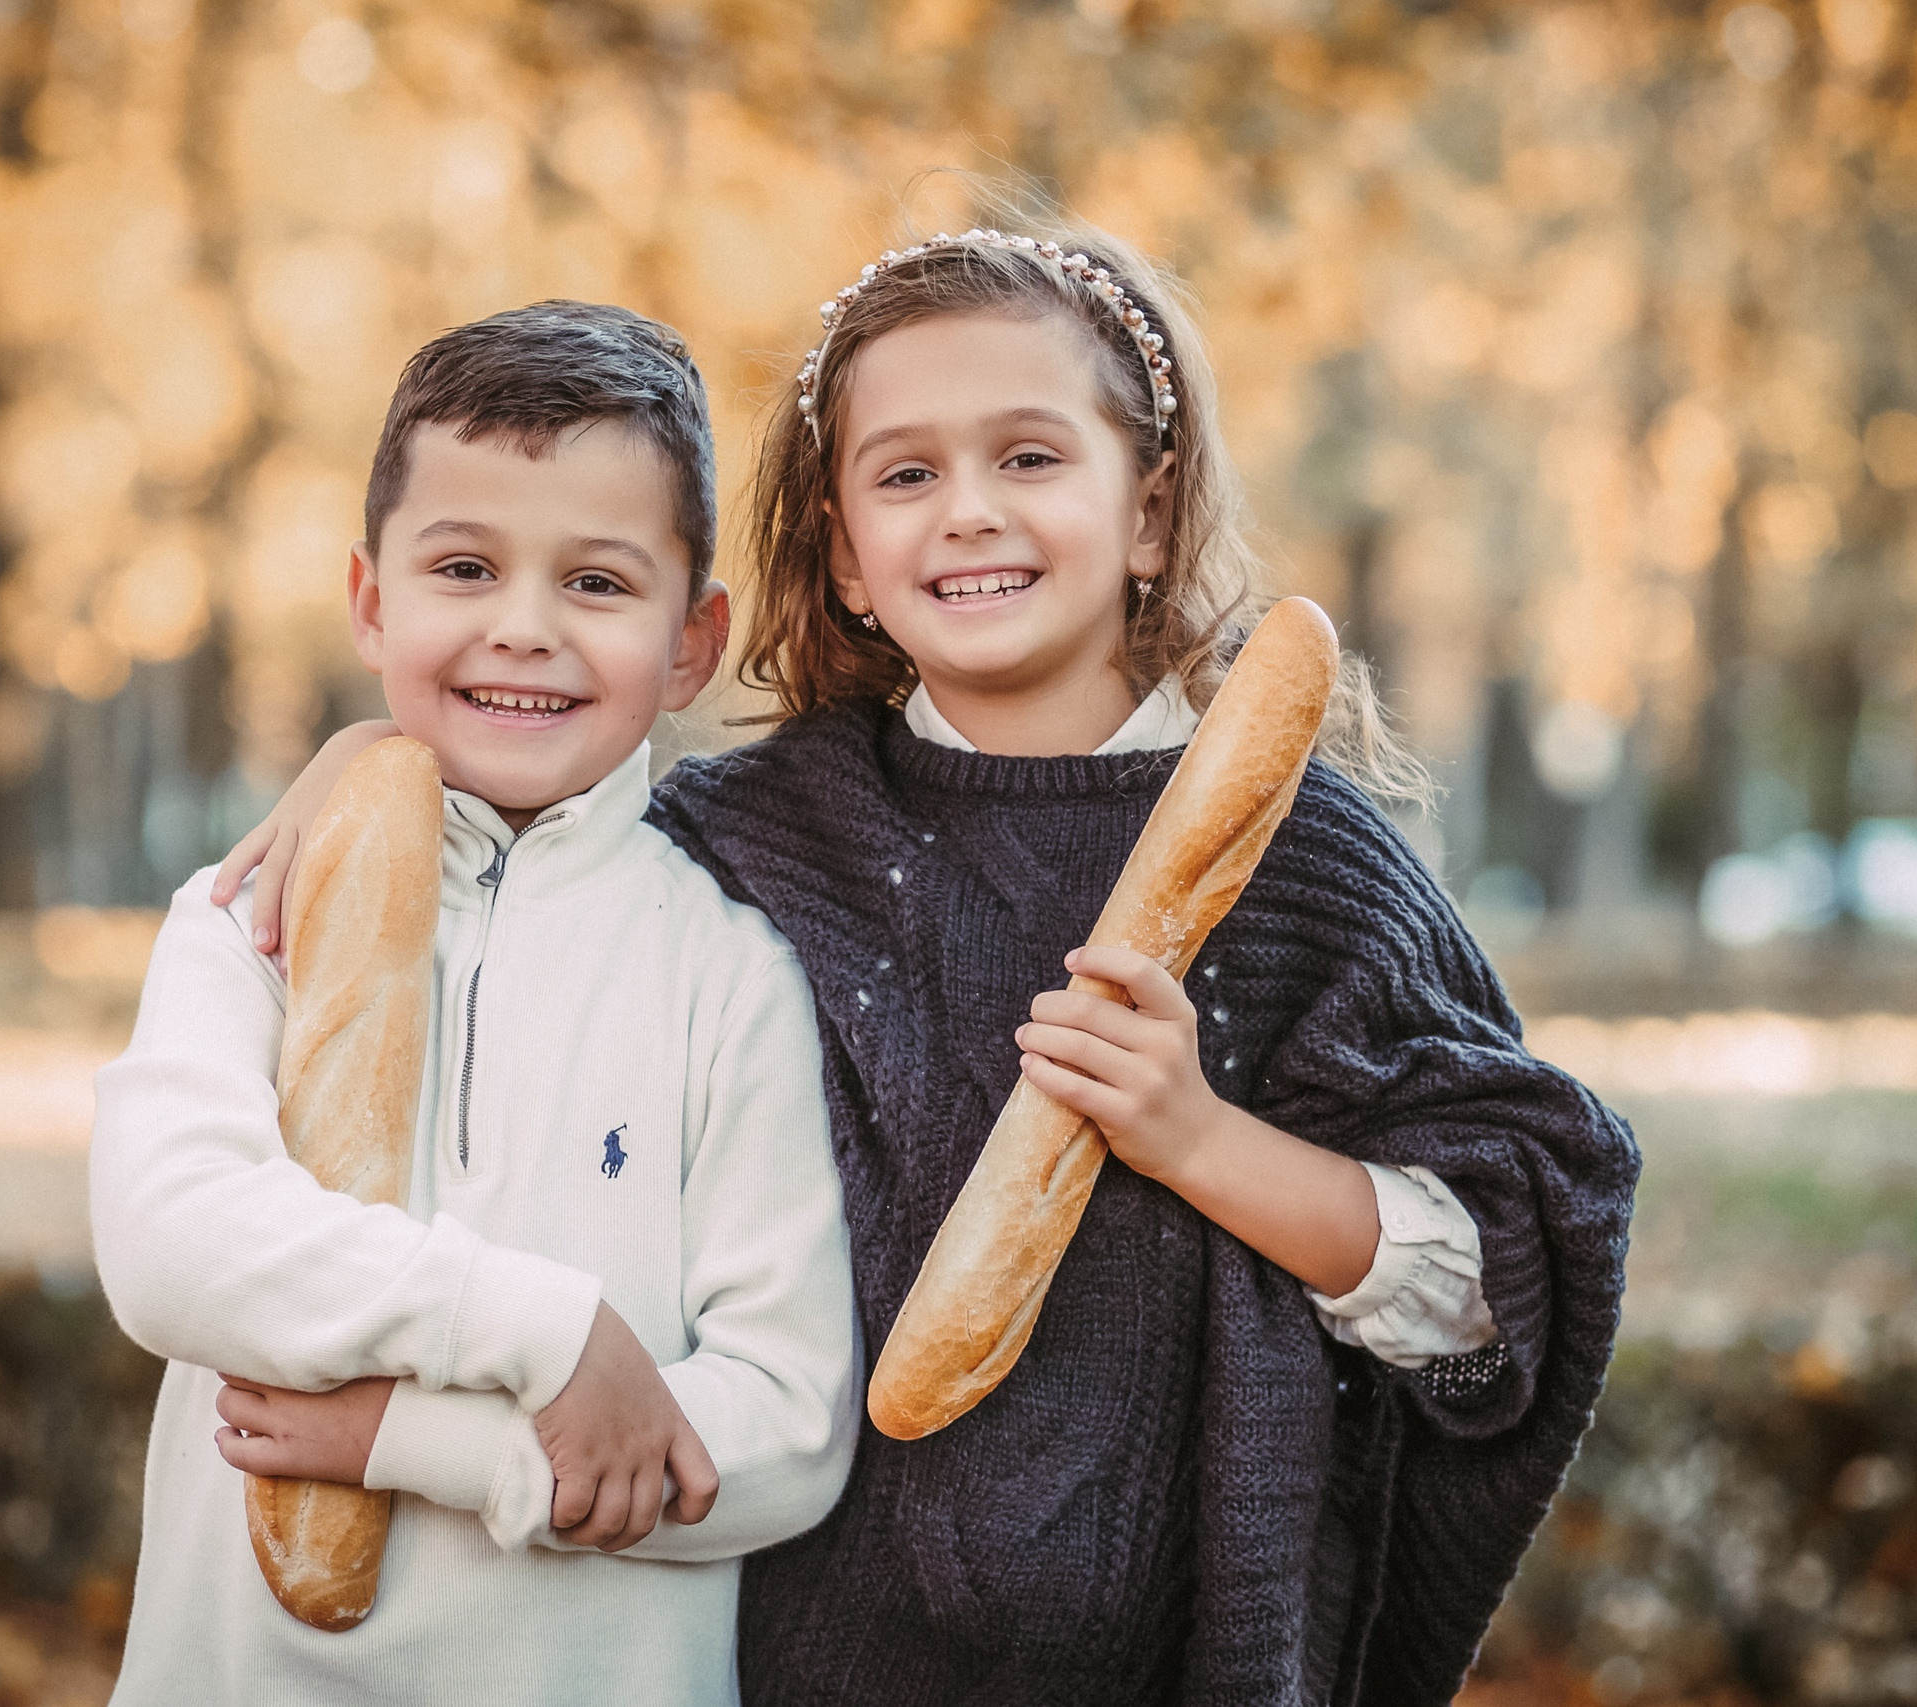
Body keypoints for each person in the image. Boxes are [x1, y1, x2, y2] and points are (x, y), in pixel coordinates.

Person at [224, 218, 1638, 1706]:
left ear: (1150, 510)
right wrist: (373, 759)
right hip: (805, 1647)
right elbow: (524, 811)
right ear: (842, 547)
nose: (967, 512)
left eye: (1028, 458)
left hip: (1185, 1652)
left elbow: (1499, 1285)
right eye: (906, 474)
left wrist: (1199, 1137)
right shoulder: (754, 834)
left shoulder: (1299, 867)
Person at [92, 302, 858, 1707]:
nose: (524, 628)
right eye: (463, 566)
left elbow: (789, 1432)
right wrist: (548, 1336)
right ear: (372, 601)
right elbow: (171, 1244)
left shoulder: (731, 975)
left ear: (693, 644)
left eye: (598, 585)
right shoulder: (252, 913)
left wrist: (414, 1442)